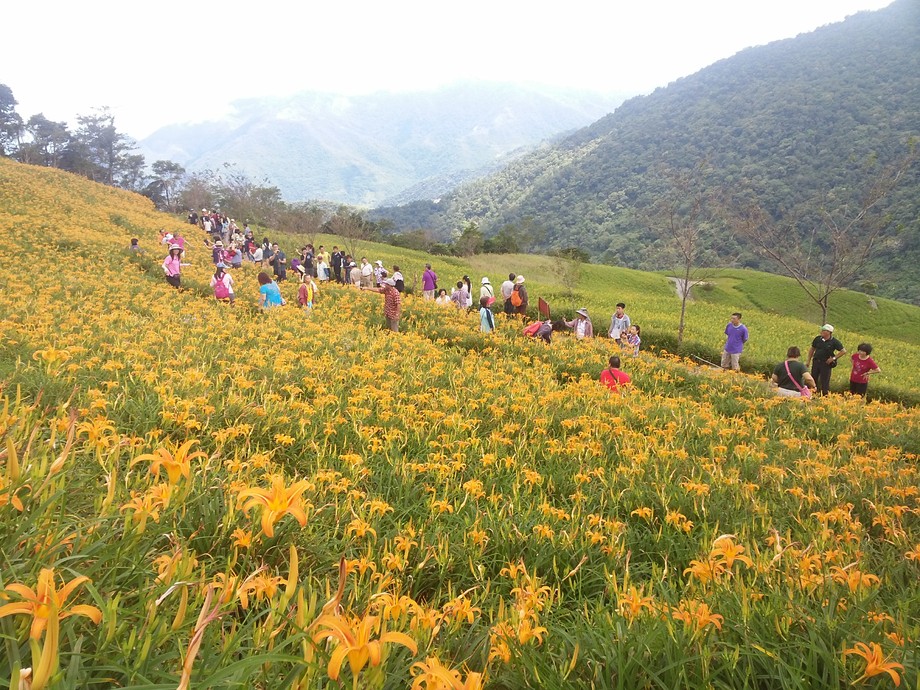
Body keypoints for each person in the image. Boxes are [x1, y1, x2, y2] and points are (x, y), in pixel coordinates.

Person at [806, 324, 846, 395]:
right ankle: (811, 394)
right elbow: (812, 349)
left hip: (826, 364)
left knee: (825, 381)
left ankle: (824, 396)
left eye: (823, 330)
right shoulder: (818, 339)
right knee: (813, 379)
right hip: (816, 362)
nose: (821, 332)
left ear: (829, 332)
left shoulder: (834, 341)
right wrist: (808, 360)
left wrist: (833, 358)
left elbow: (843, 351)